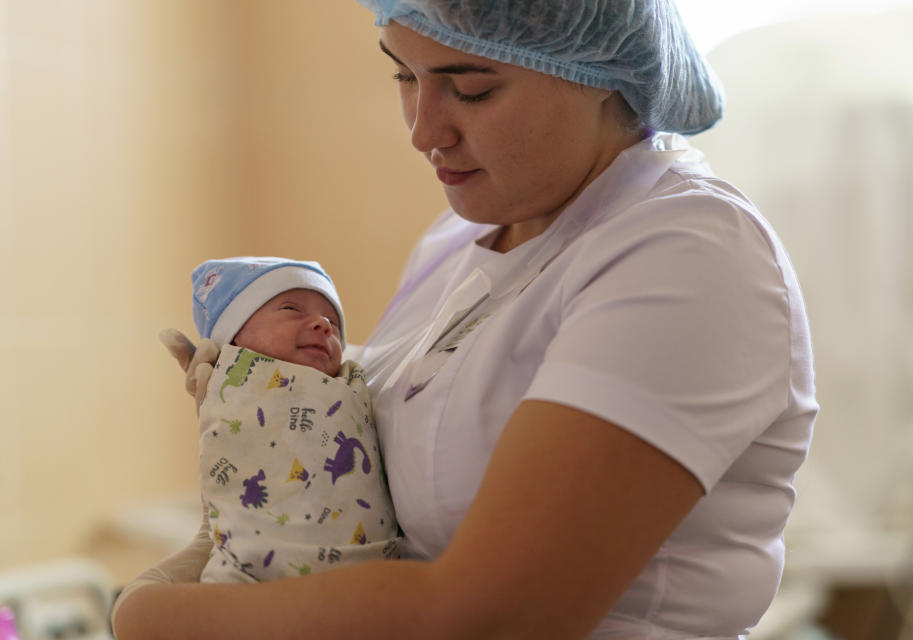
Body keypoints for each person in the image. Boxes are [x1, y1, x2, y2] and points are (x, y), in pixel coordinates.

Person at [112, 2, 817, 638]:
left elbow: (494, 615)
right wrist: (260, 423)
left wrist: (153, 613)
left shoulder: (684, 252)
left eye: (471, 88)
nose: (424, 130)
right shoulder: (455, 246)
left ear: (594, 68)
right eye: (403, 77)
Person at [190, 257, 400, 583]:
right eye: (291, 309)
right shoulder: (230, 378)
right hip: (251, 571)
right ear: (233, 337)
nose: (323, 324)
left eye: (332, 320)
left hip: (367, 572)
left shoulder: (351, 383)